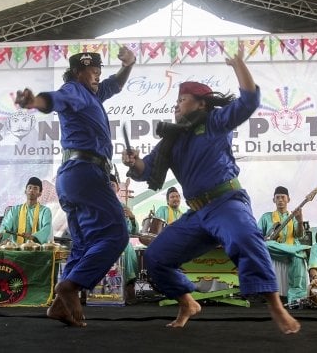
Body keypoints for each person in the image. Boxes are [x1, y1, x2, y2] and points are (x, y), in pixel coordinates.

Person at [121, 48, 300, 333]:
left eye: (182, 100)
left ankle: (275, 305)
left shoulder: (215, 123)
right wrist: (134, 162)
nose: (176, 105)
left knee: (244, 237)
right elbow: (146, 170)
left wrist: (239, 64)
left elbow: (249, 100)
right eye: (176, 101)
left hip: (226, 202)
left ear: (202, 105)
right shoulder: (171, 140)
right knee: (155, 258)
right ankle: (187, 302)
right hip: (197, 213)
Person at [15, 47, 136, 327]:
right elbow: (54, 100)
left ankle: (59, 306)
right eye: (93, 73)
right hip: (85, 171)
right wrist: (34, 101)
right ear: (78, 73)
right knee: (117, 234)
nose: (97, 78)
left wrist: (129, 64)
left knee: (83, 241)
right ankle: (71, 286)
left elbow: (114, 85)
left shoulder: (93, 94)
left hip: (73, 175)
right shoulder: (75, 90)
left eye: (98, 73)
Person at [257, 186, 308, 304]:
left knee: (297, 255)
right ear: (273, 200)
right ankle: (290, 251)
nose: (280, 200)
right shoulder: (266, 217)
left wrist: (300, 221)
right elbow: (257, 235)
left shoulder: (294, 217)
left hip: (290, 247)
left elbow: (299, 235)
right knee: (266, 245)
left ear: (288, 199)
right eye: (277, 197)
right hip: (274, 249)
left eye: (283, 197)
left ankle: (296, 296)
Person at [108, 173, 140, 303]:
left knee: (127, 247)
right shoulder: (96, 206)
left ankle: (129, 286)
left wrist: (132, 218)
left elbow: (133, 231)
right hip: (101, 241)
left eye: (112, 184)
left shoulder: (123, 207)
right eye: (106, 185)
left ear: (117, 188)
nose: (109, 187)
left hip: (119, 241)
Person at [0, 177, 53, 244]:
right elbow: (6, 226)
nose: (31, 190)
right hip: (17, 249)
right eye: (29, 187)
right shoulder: (14, 210)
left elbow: (46, 228)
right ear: (25, 191)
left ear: (40, 193)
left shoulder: (45, 211)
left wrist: (34, 237)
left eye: (35, 188)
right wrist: (0, 235)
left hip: (38, 250)